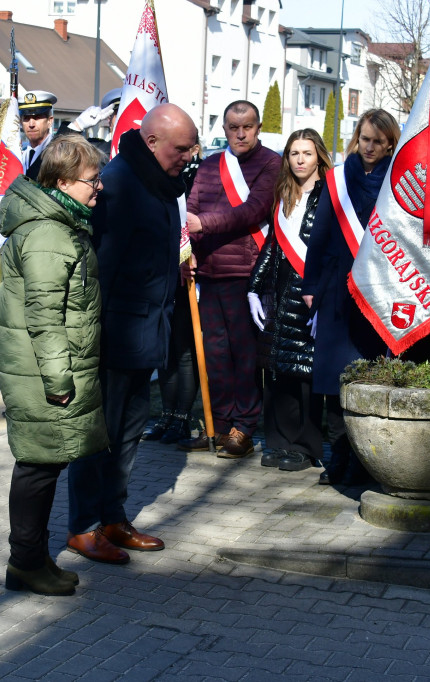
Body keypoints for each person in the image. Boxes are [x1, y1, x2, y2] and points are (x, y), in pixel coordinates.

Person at [66, 103, 198, 565]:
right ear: (153, 142)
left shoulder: (158, 181)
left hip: (145, 333)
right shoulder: (121, 182)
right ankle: (83, 526)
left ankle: (113, 516)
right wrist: (95, 337)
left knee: (127, 433)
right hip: (115, 334)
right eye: (182, 148)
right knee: (97, 435)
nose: (189, 155)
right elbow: (102, 267)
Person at [0, 135, 110, 595]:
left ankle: (33, 558)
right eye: (91, 180)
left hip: (44, 368)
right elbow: (44, 316)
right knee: (37, 467)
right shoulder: (48, 234)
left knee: (42, 465)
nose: (98, 187)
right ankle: (24, 563)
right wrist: (60, 380)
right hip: (44, 373)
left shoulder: (58, 224)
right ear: (62, 183)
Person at [302, 109, 400, 485]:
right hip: (336, 289)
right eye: (364, 139)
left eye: (378, 140)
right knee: (333, 378)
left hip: (380, 290)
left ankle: (365, 459)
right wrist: (311, 286)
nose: (370, 147)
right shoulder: (338, 178)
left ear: (390, 142)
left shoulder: (400, 179)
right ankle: (339, 454)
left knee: (368, 376)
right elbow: (321, 232)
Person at [180, 100, 281, 458]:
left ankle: (244, 427)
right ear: (224, 130)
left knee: (245, 355)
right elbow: (191, 208)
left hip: (246, 274)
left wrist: (203, 224)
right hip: (208, 270)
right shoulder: (209, 166)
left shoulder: (271, 163)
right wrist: (186, 252)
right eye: (233, 127)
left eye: (248, 126)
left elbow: (253, 210)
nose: (240, 133)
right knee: (216, 354)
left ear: (258, 128)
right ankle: (219, 425)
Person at [248, 129, 332, 472]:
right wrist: (254, 286)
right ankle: (279, 442)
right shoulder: (283, 194)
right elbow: (273, 246)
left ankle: (305, 446)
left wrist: (325, 296)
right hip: (281, 292)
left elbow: (330, 250)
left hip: (310, 293)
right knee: (277, 371)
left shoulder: (328, 194)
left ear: (319, 157)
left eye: (306, 153)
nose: (299, 159)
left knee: (304, 374)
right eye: (294, 153)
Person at [142, 144, 203, 445]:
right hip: (162, 272)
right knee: (164, 350)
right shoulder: (157, 177)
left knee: (184, 350)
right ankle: (166, 416)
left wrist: (188, 254)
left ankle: (182, 417)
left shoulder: (198, 176)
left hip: (188, 272)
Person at [20, 91, 56, 180]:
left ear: (50, 121)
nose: (31, 124)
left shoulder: (59, 152)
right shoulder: (20, 153)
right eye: (26, 118)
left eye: (37, 117)